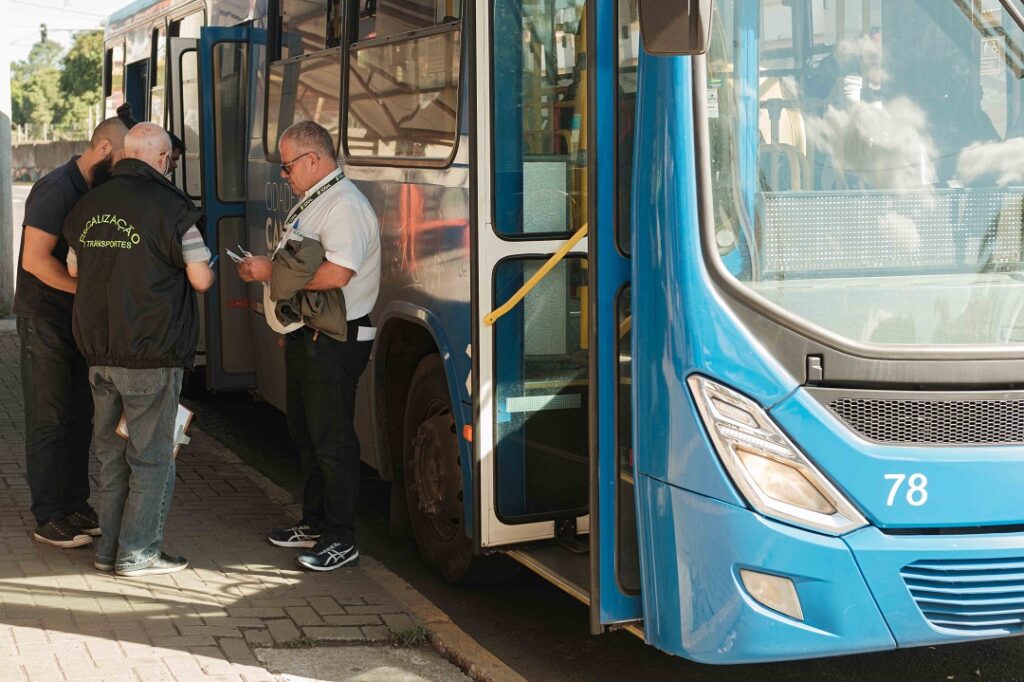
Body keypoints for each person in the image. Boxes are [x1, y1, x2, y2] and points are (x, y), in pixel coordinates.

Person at [63, 122, 214, 577]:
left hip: (98, 352)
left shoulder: (88, 204)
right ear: (164, 159)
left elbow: (74, 269)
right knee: (150, 457)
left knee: (111, 456)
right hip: (151, 353)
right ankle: (138, 552)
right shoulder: (173, 208)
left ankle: (109, 550)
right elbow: (200, 279)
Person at [237, 120, 380, 572]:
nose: (284, 175)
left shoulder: (345, 206)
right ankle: (315, 522)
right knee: (306, 430)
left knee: (331, 438)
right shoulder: (320, 198)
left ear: (313, 160)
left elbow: (338, 274)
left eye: (287, 166)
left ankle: (342, 538)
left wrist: (267, 275)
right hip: (310, 334)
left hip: (336, 340)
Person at [15, 117, 128, 548]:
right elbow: (36, 261)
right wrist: (88, 292)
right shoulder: (55, 189)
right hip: (44, 320)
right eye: (119, 160)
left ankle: (74, 504)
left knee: (80, 416)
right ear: (102, 149)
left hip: (76, 320)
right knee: (49, 419)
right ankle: (48, 515)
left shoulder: (94, 189)